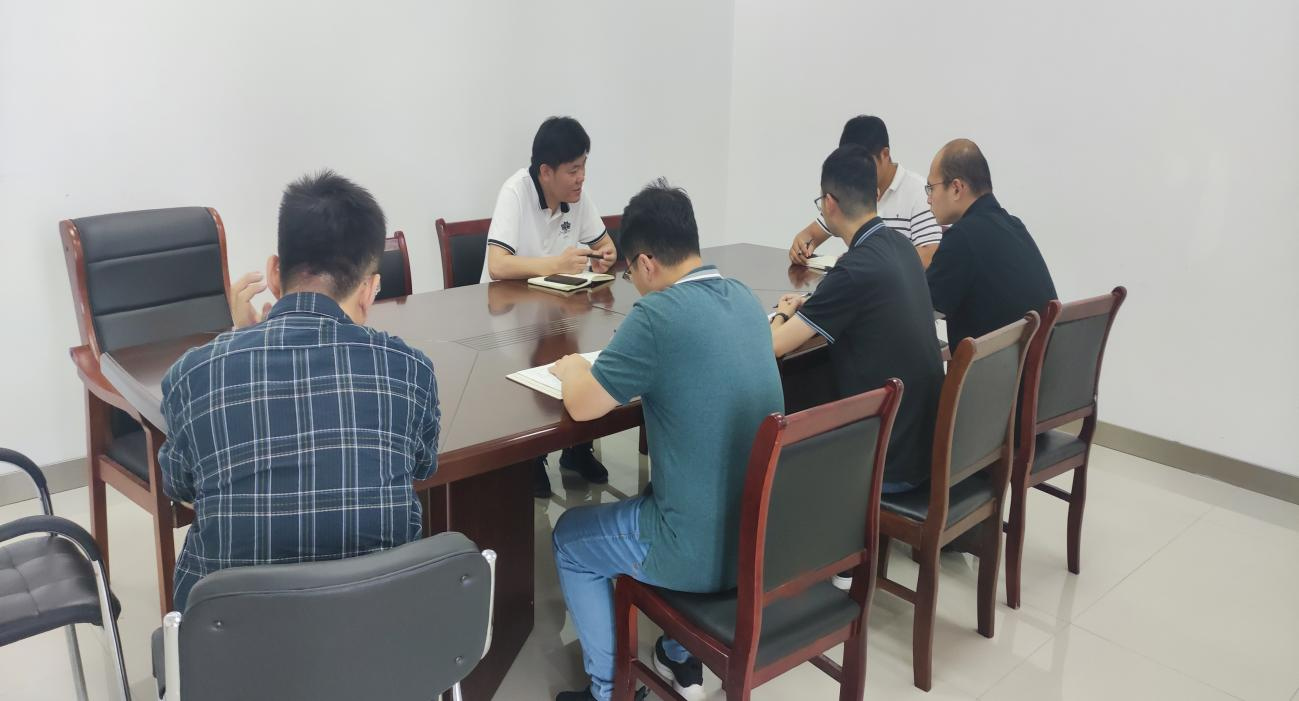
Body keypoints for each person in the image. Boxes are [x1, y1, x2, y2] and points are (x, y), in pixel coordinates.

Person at [159, 170, 440, 610]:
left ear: (275, 272)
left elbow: (180, 484)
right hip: (378, 635)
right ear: (370, 289)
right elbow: (423, 464)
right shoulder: (410, 370)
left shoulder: (193, 375)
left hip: (229, 640)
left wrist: (238, 341)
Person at [548, 180, 784, 701]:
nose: (633, 283)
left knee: (569, 539)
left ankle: (609, 689)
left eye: (630, 273)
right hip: (759, 540)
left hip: (693, 550)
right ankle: (678, 651)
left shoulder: (657, 317)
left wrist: (571, 370)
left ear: (646, 263)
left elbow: (583, 404)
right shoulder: (745, 300)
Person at [771, 145, 944, 492]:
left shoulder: (853, 271)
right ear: (875, 195)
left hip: (886, 461)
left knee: (784, 421)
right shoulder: (901, 247)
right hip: (926, 448)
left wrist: (783, 313)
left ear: (829, 203)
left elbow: (773, 347)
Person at [482, 116, 617, 496]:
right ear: (546, 172)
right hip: (510, 315)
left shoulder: (577, 198)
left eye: (584, 167)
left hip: (560, 309)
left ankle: (576, 449)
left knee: (582, 359)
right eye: (573, 170)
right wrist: (555, 264)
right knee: (530, 378)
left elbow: (604, 244)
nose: (581, 178)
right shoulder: (516, 192)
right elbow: (497, 265)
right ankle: (532, 457)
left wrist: (606, 255)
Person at [924, 139, 1057, 344]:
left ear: (957, 188)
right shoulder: (1015, 226)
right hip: (1032, 362)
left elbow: (921, 310)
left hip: (991, 364)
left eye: (931, 188)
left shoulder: (962, 237)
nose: (929, 199)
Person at [789, 115, 944, 268]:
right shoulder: (853, 188)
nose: (855, 171)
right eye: (849, 164)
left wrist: (862, 261)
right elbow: (810, 235)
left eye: (865, 161)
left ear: (885, 154)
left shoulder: (920, 193)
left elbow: (928, 256)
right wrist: (802, 246)